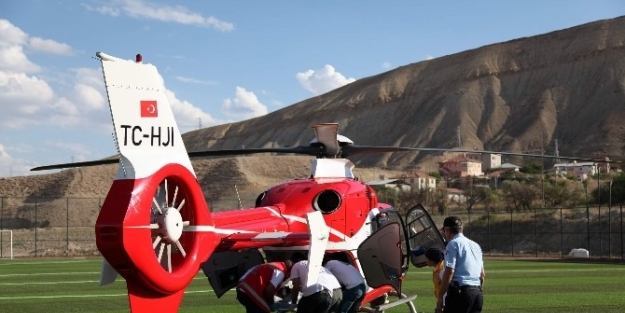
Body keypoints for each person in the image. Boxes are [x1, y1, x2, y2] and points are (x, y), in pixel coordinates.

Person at [436, 216, 485, 313]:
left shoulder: (453, 244)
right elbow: (482, 274)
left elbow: (449, 271)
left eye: (444, 231)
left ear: (447, 230)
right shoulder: (475, 245)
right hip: (477, 294)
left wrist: (440, 295)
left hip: (460, 294)